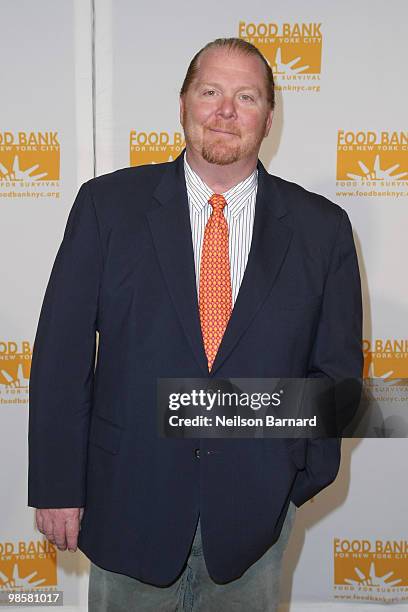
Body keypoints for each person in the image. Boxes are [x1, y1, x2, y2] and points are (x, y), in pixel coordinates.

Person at [28, 38, 363, 611]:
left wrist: (294, 478)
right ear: (183, 104)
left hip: (254, 523)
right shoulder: (107, 207)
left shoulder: (321, 229)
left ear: (268, 119)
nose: (226, 111)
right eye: (210, 92)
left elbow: (335, 373)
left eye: (246, 96)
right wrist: (59, 486)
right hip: (127, 502)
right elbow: (62, 355)